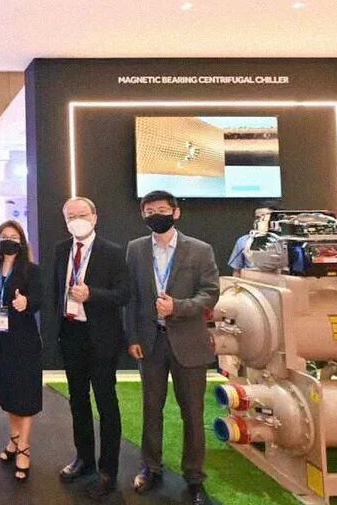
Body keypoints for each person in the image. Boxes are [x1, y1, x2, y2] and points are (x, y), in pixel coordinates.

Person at [124, 190, 220, 505]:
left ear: (175, 213)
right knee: (151, 409)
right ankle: (151, 468)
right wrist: (133, 338)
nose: (156, 215)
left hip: (188, 342)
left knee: (192, 412)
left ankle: (194, 478)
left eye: (161, 209)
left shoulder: (200, 250)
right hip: (150, 342)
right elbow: (132, 298)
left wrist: (177, 307)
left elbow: (210, 293)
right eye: (149, 211)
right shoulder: (136, 249)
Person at [53, 197, 130, 498]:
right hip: (71, 334)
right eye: (70, 216)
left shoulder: (113, 252)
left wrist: (91, 294)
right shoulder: (61, 250)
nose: (76, 220)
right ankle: (84, 460)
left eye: (81, 215)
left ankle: (108, 470)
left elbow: (123, 294)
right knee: (78, 401)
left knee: (106, 403)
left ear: (94, 217)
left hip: (101, 338)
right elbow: (55, 290)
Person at [0, 220, 42, 482]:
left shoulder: (31, 269)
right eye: (4, 235)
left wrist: (26, 302)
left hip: (25, 341)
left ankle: (24, 447)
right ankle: (14, 439)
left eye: (14, 236)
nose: (9, 240)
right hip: (1, 341)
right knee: (7, 393)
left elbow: (39, 300)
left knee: (25, 394)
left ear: (21, 241)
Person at [227, 204, 278, 274]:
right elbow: (237, 271)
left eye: (264, 217)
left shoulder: (283, 242)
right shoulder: (243, 241)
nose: (259, 221)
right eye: (257, 217)